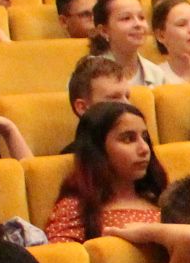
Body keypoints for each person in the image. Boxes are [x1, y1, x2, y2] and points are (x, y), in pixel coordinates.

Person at [41, 102, 166, 245]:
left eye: (145, 138)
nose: (144, 149)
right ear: (98, 149)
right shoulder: (77, 208)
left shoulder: (161, 198)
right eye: (128, 139)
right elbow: (62, 256)